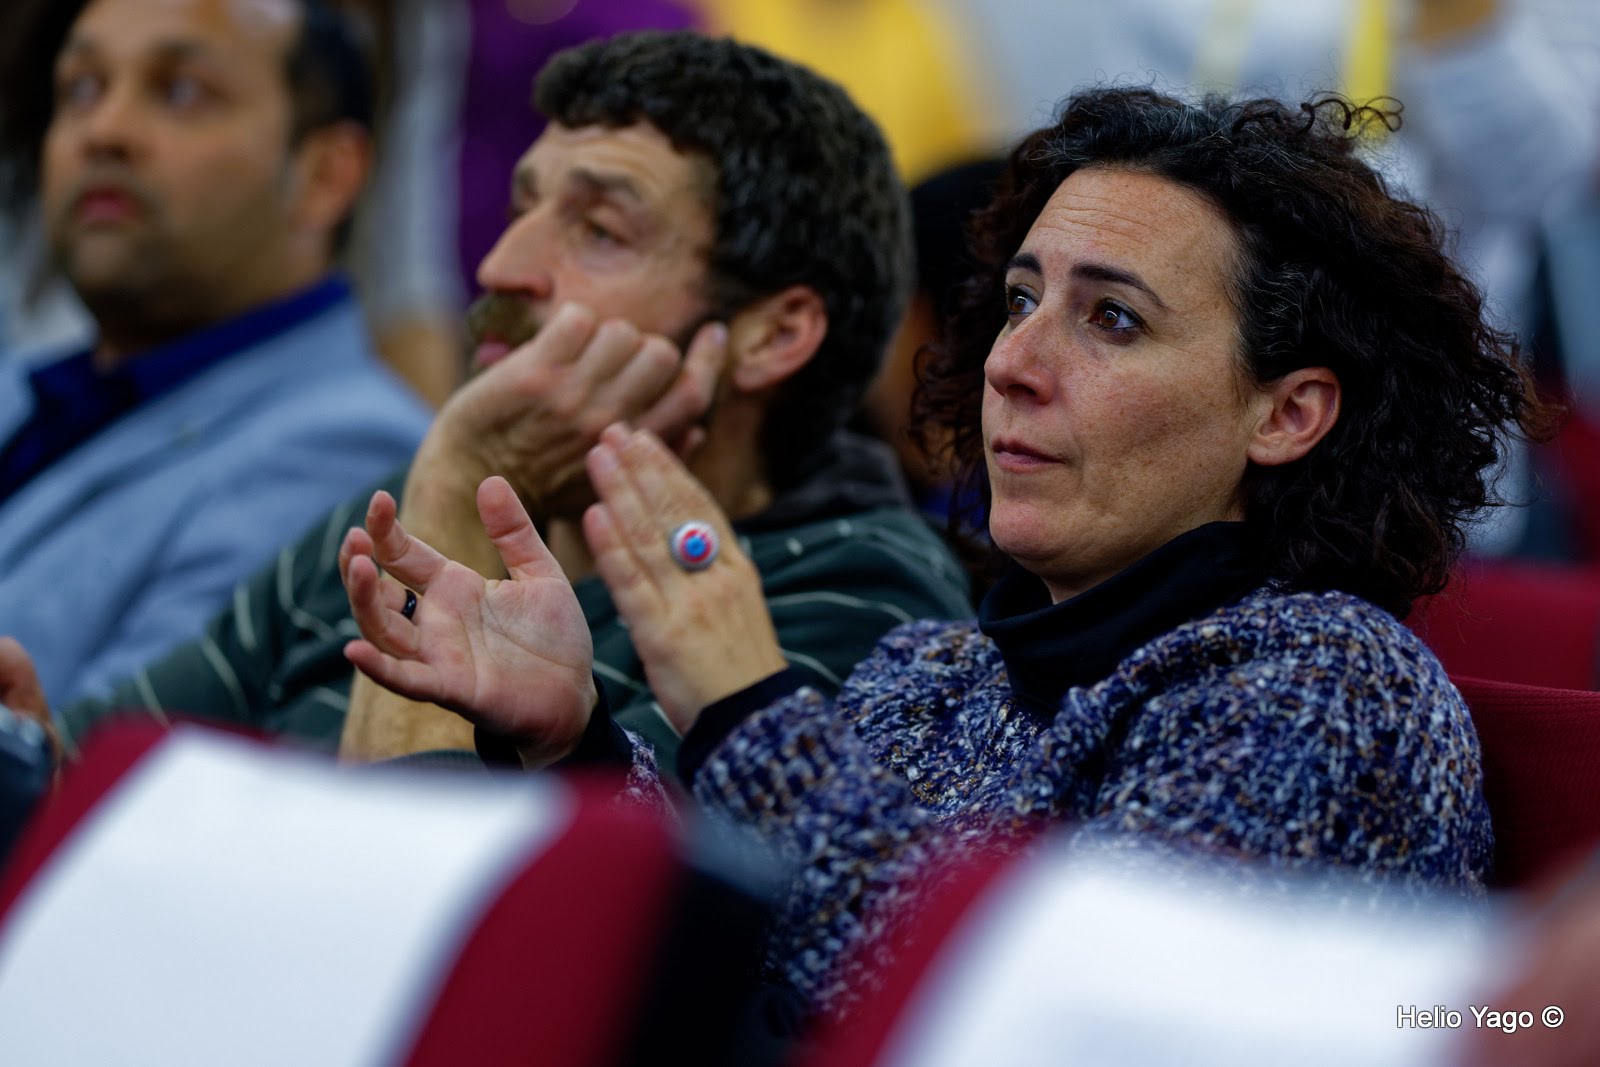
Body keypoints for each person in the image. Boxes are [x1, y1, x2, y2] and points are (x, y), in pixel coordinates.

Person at [337, 87, 1550, 1015]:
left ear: (1286, 414)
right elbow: (747, 928)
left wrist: (741, 700)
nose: (1013, 362)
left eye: (1111, 319)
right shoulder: (940, 668)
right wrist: (572, 737)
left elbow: (1027, 1009)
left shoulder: (1327, 686)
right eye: (1021, 299)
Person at [25, 31, 971, 771]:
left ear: (774, 334)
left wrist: (465, 483)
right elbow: (88, 769)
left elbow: (416, 921)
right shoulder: (410, 494)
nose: (500, 266)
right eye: (524, 208)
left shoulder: (857, 601)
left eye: (599, 229)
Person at [0, 0, 431, 708]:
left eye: (181, 91)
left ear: (325, 173)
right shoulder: (34, 388)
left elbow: (116, 772)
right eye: (81, 87)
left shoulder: (348, 450)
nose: (104, 131)